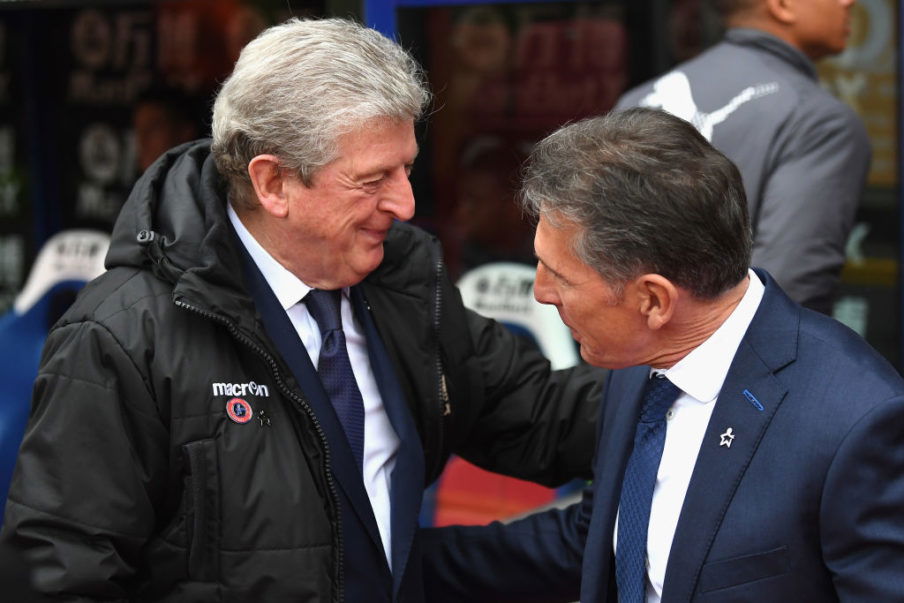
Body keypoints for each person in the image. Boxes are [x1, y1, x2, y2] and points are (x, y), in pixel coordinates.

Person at [1, 18, 604, 602]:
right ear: (273, 183)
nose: (405, 202)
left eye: (407, 168)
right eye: (372, 180)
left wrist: (687, 379)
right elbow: (61, 577)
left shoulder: (404, 287)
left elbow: (543, 416)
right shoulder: (124, 336)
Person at [421, 108, 904, 602]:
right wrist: (386, 564)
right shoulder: (640, 363)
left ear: (653, 300)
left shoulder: (855, 424)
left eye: (559, 276)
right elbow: (606, 541)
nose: (541, 293)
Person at [616, 0, 869, 314]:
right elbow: (788, 294)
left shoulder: (637, 102)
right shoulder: (817, 121)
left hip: (630, 350)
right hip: (736, 358)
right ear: (781, 5)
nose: (848, 2)